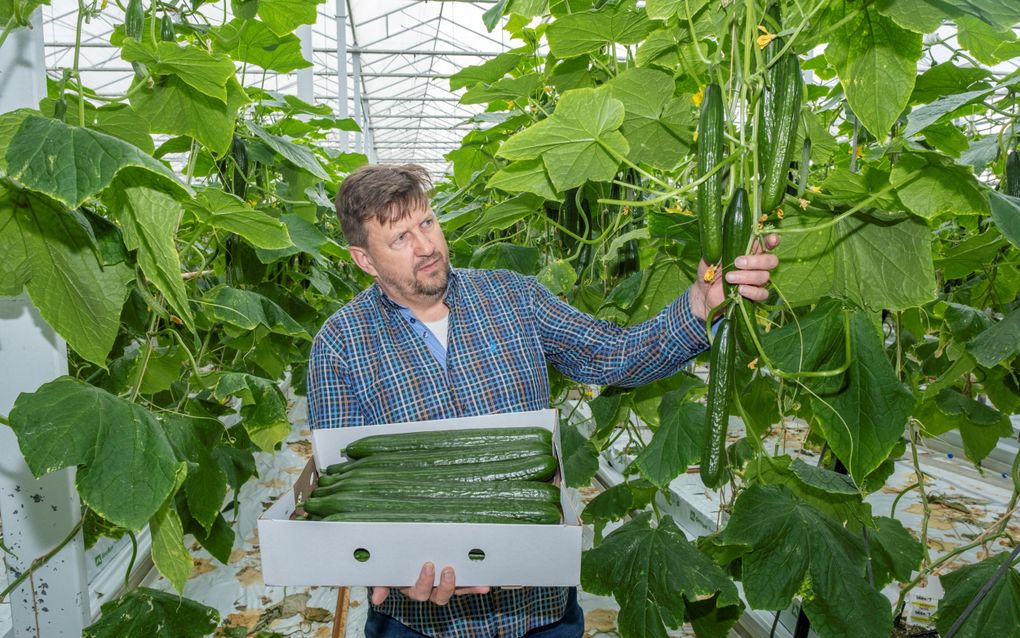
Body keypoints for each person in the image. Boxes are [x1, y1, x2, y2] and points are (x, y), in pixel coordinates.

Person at [307, 164, 779, 638]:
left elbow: (613, 356)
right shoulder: (339, 346)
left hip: (539, 610)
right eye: (400, 238)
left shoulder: (514, 297)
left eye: (427, 223)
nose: (426, 246)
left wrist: (701, 302)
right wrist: (389, 568)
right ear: (364, 259)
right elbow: (346, 492)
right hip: (420, 623)